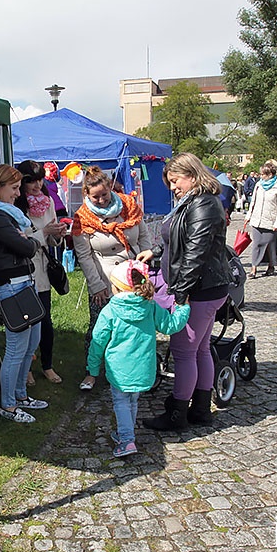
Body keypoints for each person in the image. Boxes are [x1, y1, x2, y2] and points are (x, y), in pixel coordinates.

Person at [137, 153, 232, 431]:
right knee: (200, 349)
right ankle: (201, 409)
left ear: (192, 175)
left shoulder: (202, 204)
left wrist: (181, 294)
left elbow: (195, 253)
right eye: (170, 182)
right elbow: (178, 241)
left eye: (176, 180)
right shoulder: (194, 201)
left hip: (199, 289)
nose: (173, 187)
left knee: (183, 351)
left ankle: (179, 412)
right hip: (206, 287)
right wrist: (154, 252)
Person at [86, 259, 190, 457]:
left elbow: (97, 341)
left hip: (119, 369)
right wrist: (183, 308)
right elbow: (170, 326)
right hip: (144, 366)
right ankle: (127, 433)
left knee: (121, 402)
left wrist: (92, 370)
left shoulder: (110, 310)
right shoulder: (150, 306)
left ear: (116, 288)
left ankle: (127, 440)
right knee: (133, 400)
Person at [0, 164, 48, 423]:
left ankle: (20, 395)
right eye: (14, 188)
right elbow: (25, 247)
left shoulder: (4, 214)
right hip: (11, 286)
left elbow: (23, 244)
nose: (18, 193)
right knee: (17, 348)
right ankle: (7, 406)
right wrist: (31, 241)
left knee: (30, 344)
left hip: (21, 284)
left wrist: (27, 240)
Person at [72, 166, 152, 392]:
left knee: (134, 325)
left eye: (104, 195)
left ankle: (131, 369)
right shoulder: (82, 218)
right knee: (99, 327)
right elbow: (85, 256)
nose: (100, 200)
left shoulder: (128, 205)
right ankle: (92, 372)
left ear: (110, 189)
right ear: (86, 194)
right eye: (94, 196)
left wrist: (144, 260)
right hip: (106, 279)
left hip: (135, 277)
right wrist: (96, 286)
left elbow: (144, 235)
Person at [15, 160, 67, 385]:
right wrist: (44, 232)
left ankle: (47, 365)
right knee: (27, 320)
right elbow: (19, 240)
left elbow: (52, 239)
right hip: (23, 267)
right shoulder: (16, 206)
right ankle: (26, 368)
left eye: (40, 180)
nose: (37, 185)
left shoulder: (47, 203)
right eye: (31, 181)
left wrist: (57, 233)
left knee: (45, 320)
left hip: (43, 266)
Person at [243, 160, 277, 278]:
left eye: (263, 174)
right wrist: (248, 216)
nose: (261, 176)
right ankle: (254, 268)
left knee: (270, 245)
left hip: (271, 220)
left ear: (270, 175)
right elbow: (253, 202)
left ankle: (271, 265)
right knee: (256, 244)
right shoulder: (259, 185)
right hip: (257, 219)